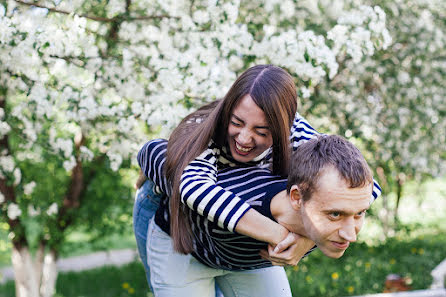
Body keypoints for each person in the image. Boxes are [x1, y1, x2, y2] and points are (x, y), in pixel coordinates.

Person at [140, 134, 378, 296]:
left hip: (247, 258)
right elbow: (153, 150)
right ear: (296, 198)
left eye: (359, 214)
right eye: (335, 214)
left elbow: (368, 190)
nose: (351, 235)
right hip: (185, 246)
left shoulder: (342, 198)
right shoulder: (222, 199)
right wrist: (280, 235)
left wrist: (304, 239)